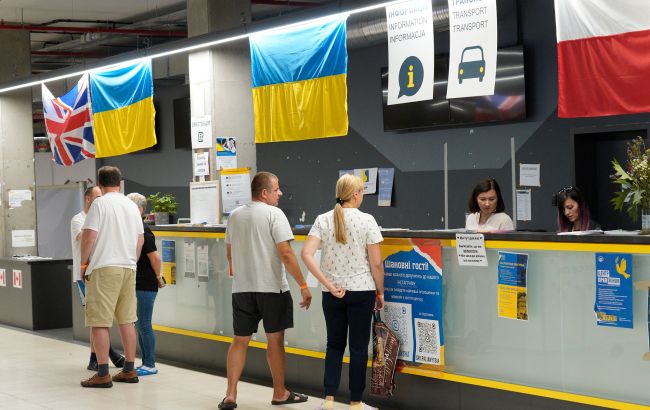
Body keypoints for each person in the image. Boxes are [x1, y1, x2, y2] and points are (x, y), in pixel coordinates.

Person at [219, 172, 312, 410]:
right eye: (276, 189)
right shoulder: (274, 214)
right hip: (272, 288)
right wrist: (303, 284)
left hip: (242, 289)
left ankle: (230, 395)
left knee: (239, 341)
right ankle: (279, 393)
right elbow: (286, 253)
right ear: (264, 193)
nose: (280, 193)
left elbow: (230, 255)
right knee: (275, 340)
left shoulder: (235, 216)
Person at [301, 174, 385, 410]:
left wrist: (328, 284)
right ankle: (356, 403)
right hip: (362, 291)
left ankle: (328, 400)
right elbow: (376, 263)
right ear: (356, 194)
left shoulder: (322, 219)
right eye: (361, 192)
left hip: (332, 293)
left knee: (334, 345)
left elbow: (306, 254)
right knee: (358, 349)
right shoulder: (367, 220)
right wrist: (380, 292)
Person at [79, 166, 144, 388]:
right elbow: (140, 240)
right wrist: (131, 261)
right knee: (127, 320)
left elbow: (89, 236)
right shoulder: (132, 205)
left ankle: (103, 373)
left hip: (104, 268)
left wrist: (83, 263)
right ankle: (129, 369)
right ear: (119, 183)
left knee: (99, 322)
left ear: (100, 184)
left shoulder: (99, 204)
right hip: (128, 268)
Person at [70, 186, 125, 371]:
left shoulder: (101, 217)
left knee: (99, 319)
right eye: (97, 197)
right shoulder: (78, 219)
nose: (101, 200)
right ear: (88, 199)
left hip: (100, 273)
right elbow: (85, 237)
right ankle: (110, 355)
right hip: (84, 276)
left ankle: (95, 358)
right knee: (95, 319)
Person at [127, 193, 164, 376]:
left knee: (144, 324)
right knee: (139, 324)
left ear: (140, 210)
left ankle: (150, 364)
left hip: (146, 283)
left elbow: (155, 258)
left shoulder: (144, 230)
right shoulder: (134, 228)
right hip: (137, 282)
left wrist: (158, 277)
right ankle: (145, 362)